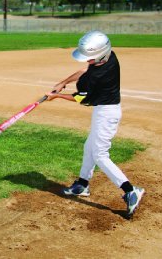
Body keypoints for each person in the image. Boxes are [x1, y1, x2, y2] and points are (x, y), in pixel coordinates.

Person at [46, 30, 144, 218]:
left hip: (106, 113)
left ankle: (130, 190)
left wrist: (56, 96)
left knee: (100, 154)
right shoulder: (110, 57)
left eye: (90, 58)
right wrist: (63, 82)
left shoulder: (96, 77)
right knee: (89, 147)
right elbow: (86, 70)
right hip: (105, 110)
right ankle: (82, 185)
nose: (87, 61)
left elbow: (80, 99)